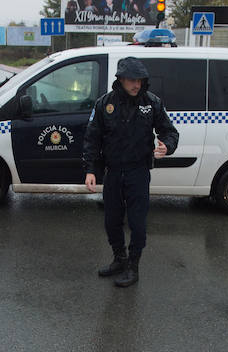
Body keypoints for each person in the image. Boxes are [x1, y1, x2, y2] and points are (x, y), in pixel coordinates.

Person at [82, 57, 179, 287]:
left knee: (137, 223)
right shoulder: (105, 104)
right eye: (132, 80)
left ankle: (133, 267)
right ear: (121, 79)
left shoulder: (152, 103)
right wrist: (90, 169)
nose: (136, 84)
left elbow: (170, 132)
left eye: (140, 80)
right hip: (113, 172)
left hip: (138, 172)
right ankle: (120, 259)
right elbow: (92, 139)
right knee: (112, 220)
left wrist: (167, 146)